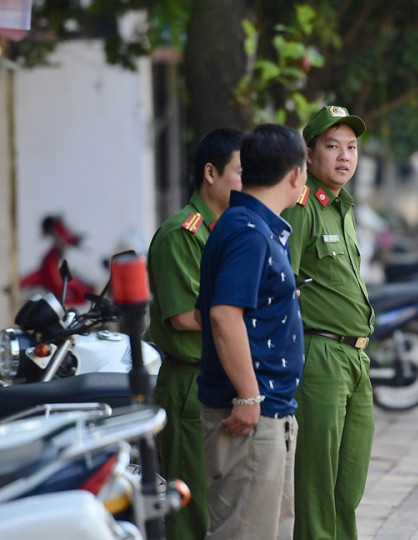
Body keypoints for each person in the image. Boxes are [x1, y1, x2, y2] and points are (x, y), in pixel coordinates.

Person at [196, 124, 307, 540]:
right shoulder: (247, 231)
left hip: (268, 410)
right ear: (296, 175)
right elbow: (225, 315)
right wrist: (247, 395)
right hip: (249, 415)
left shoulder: (255, 226)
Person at [281, 105, 374, 540]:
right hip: (321, 357)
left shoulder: (343, 208)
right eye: (332, 146)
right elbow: (280, 283)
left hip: (356, 358)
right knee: (318, 485)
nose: (344, 156)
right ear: (310, 153)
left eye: (351, 147)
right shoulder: (303, 208)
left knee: (348, 485)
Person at [146, 128, 242, 540]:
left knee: (223, 506)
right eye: (240, 172)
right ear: (210, 173)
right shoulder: (180, 234)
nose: (247, 181)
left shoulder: (229, 232)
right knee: (192, 512)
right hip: (189, 384)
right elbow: (185, 316)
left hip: (221, 379)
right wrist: (240, 314)